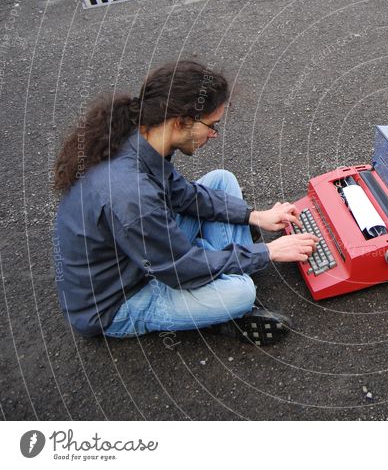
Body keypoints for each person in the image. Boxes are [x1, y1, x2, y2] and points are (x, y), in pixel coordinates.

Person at [52, 61, 318, 345]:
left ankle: (217, 266)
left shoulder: (139, 137)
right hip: (119, 300)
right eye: (211, 126)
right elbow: (179, 269)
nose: (214, 135)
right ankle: (223, 295)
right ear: (180, 122)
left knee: (221, 180)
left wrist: (255, 216)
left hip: (140, 251)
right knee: (241, 293)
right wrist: (268, 251)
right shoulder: (132, 195)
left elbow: (182, 194)